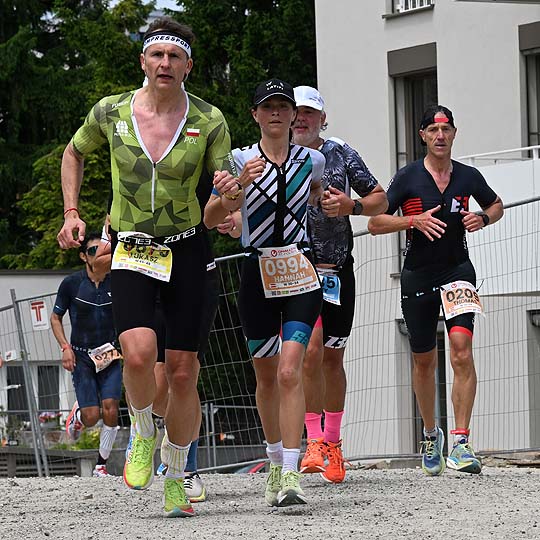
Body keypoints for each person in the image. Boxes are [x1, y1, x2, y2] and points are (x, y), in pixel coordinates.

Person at [57, 17, 237, 517]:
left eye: (175, 57)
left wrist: (231, 196)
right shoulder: (111, 111)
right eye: (157, 55)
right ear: (143, 61)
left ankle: (177, 474)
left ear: (188, 66)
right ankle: (141, 429)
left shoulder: (209, 119)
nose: (165, 63)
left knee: (182, 373)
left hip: (188, 250)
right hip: (133, 249)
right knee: (137, 356)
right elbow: (73, 152)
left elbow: (226, 188)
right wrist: (72, 212)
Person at [205, 78, 338, 507]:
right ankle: (274, 459)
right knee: (265, 376)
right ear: (255, 115)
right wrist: (237, 188)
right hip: (256, 271)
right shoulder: (237, 159)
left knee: (289, 371)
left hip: (298, 270)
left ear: (294, 115)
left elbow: (314, 195)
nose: (277, 113)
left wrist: (328, 203)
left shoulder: (313, 160)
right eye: (268, 107)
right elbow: (209, 217)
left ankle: (292, 472)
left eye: (284, 106)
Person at [368, 105, 503, 476]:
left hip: (458, 271)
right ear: (423, 136)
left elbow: (496, 204)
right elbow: (376, 222)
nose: (440, 136)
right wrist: (412, 220)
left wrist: (483, 218)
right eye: (433, 130)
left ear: (454, 134)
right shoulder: (408, 177)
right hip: (417, 275)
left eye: (446, 129)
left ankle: (461, 442)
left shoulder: (468, 176)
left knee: (461, 350)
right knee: (424, 360)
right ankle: (431, 435)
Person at [290, 86, 388, 483]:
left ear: (322, 119)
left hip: (337, 269)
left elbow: (381, 199)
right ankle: (313, 439)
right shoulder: (279, 155)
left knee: (332, 359)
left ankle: (333, 443)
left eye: (309, 113)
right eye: (296, 112)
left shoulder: (341, 153)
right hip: (295, 269)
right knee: (310, 352)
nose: (301, 119)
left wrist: (353, 206)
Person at [51, 232, 121, 478]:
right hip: (81, 356)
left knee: (111, 408)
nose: (99, 255)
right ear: (84, 257)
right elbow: (55, 318)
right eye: (93, 251)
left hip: (110, 354)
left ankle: (101, 465)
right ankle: (79, 415)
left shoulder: (117, 281)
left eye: (104, 250)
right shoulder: (72, 284)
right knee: (92, 417)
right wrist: (65, 348)